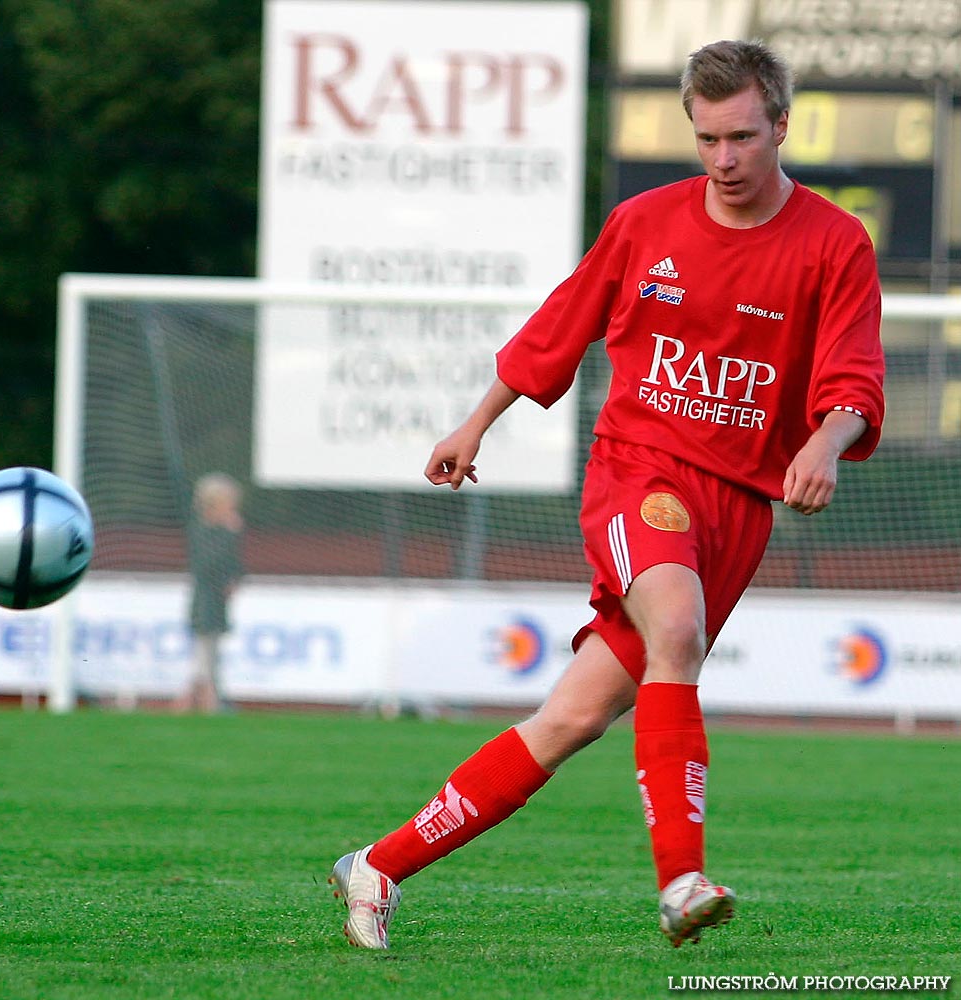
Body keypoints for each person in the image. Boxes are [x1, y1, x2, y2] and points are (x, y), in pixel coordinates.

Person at [329, 39, 885, 949]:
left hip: (737, 508)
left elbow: (855, 381)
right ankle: (682, 882)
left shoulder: (833, 243)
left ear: (780, 127)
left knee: (571, 718)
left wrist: (825, 440)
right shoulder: (644, 224)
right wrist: (477, 421)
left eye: (743, 136)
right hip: (639, 470)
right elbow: (563, 322)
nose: (724, 159)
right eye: (706, 139)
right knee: (677, 630)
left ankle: (379, 864)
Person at [175, 473, 245, 714]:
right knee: (204, 655)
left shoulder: (221, 531)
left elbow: (234, 565)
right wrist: (230, 533)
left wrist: (235, 580)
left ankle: (208, 700)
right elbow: (208, 563)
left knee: (210, 654)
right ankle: (204, 702)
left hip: (217, 602)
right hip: (205, 602)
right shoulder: (202, 530)